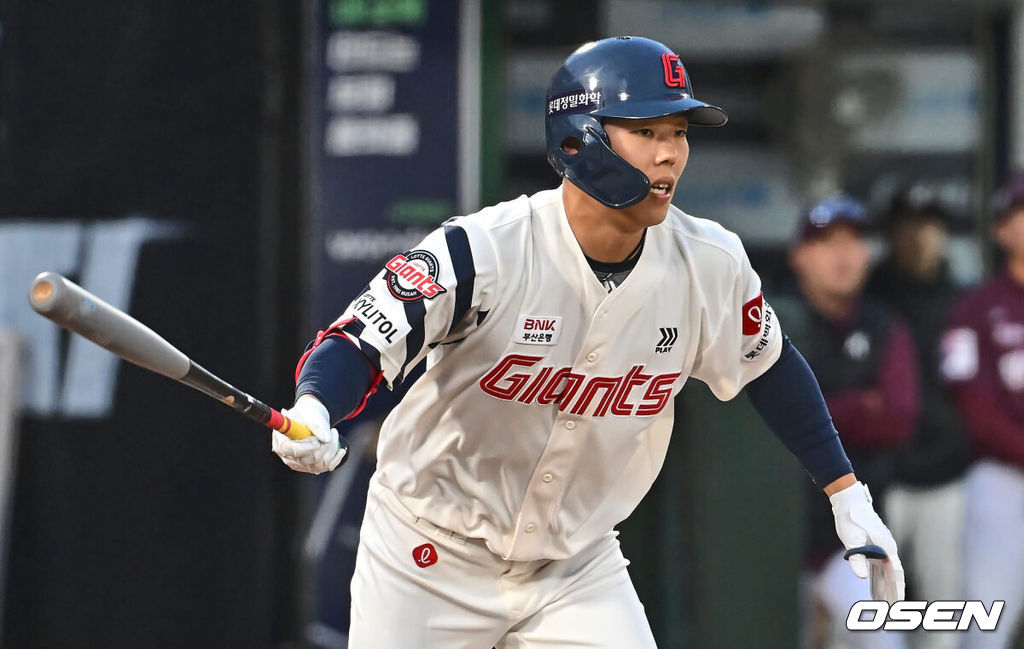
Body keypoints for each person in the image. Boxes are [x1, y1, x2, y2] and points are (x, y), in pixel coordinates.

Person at [272, 37, 903, 648]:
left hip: (573, 564)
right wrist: (315, 407)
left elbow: (769, 368)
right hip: (428, 553)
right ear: (580, 138)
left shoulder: (710, 262)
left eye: (678, 133)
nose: (670, 155)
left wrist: (846, 495)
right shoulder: (483, 249)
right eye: (647, 131)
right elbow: (356, 345)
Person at [775, 195, 918, 649]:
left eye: (854, 242)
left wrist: (815, 410)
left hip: (850, 538)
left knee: (881, 640)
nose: (843, 255)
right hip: (776, 533)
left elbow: (897, 419)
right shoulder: (770, 321)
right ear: (799, 255)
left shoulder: (882, 326)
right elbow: (766, 423)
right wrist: (860, 404)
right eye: (827, 242)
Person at [867, 189, 970, 649]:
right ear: (891, 233)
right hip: (877, 481)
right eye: (910, 224)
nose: (921, 236)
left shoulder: (967, 303)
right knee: (870, 623)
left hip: (947, 479)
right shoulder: (867, 299)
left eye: (932, 225)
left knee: (942, 621)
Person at [942, 173, 1024, 649]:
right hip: (1002, 480)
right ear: (1000, 230)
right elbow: (974, 406)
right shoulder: (976, 308)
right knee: (987, 624)